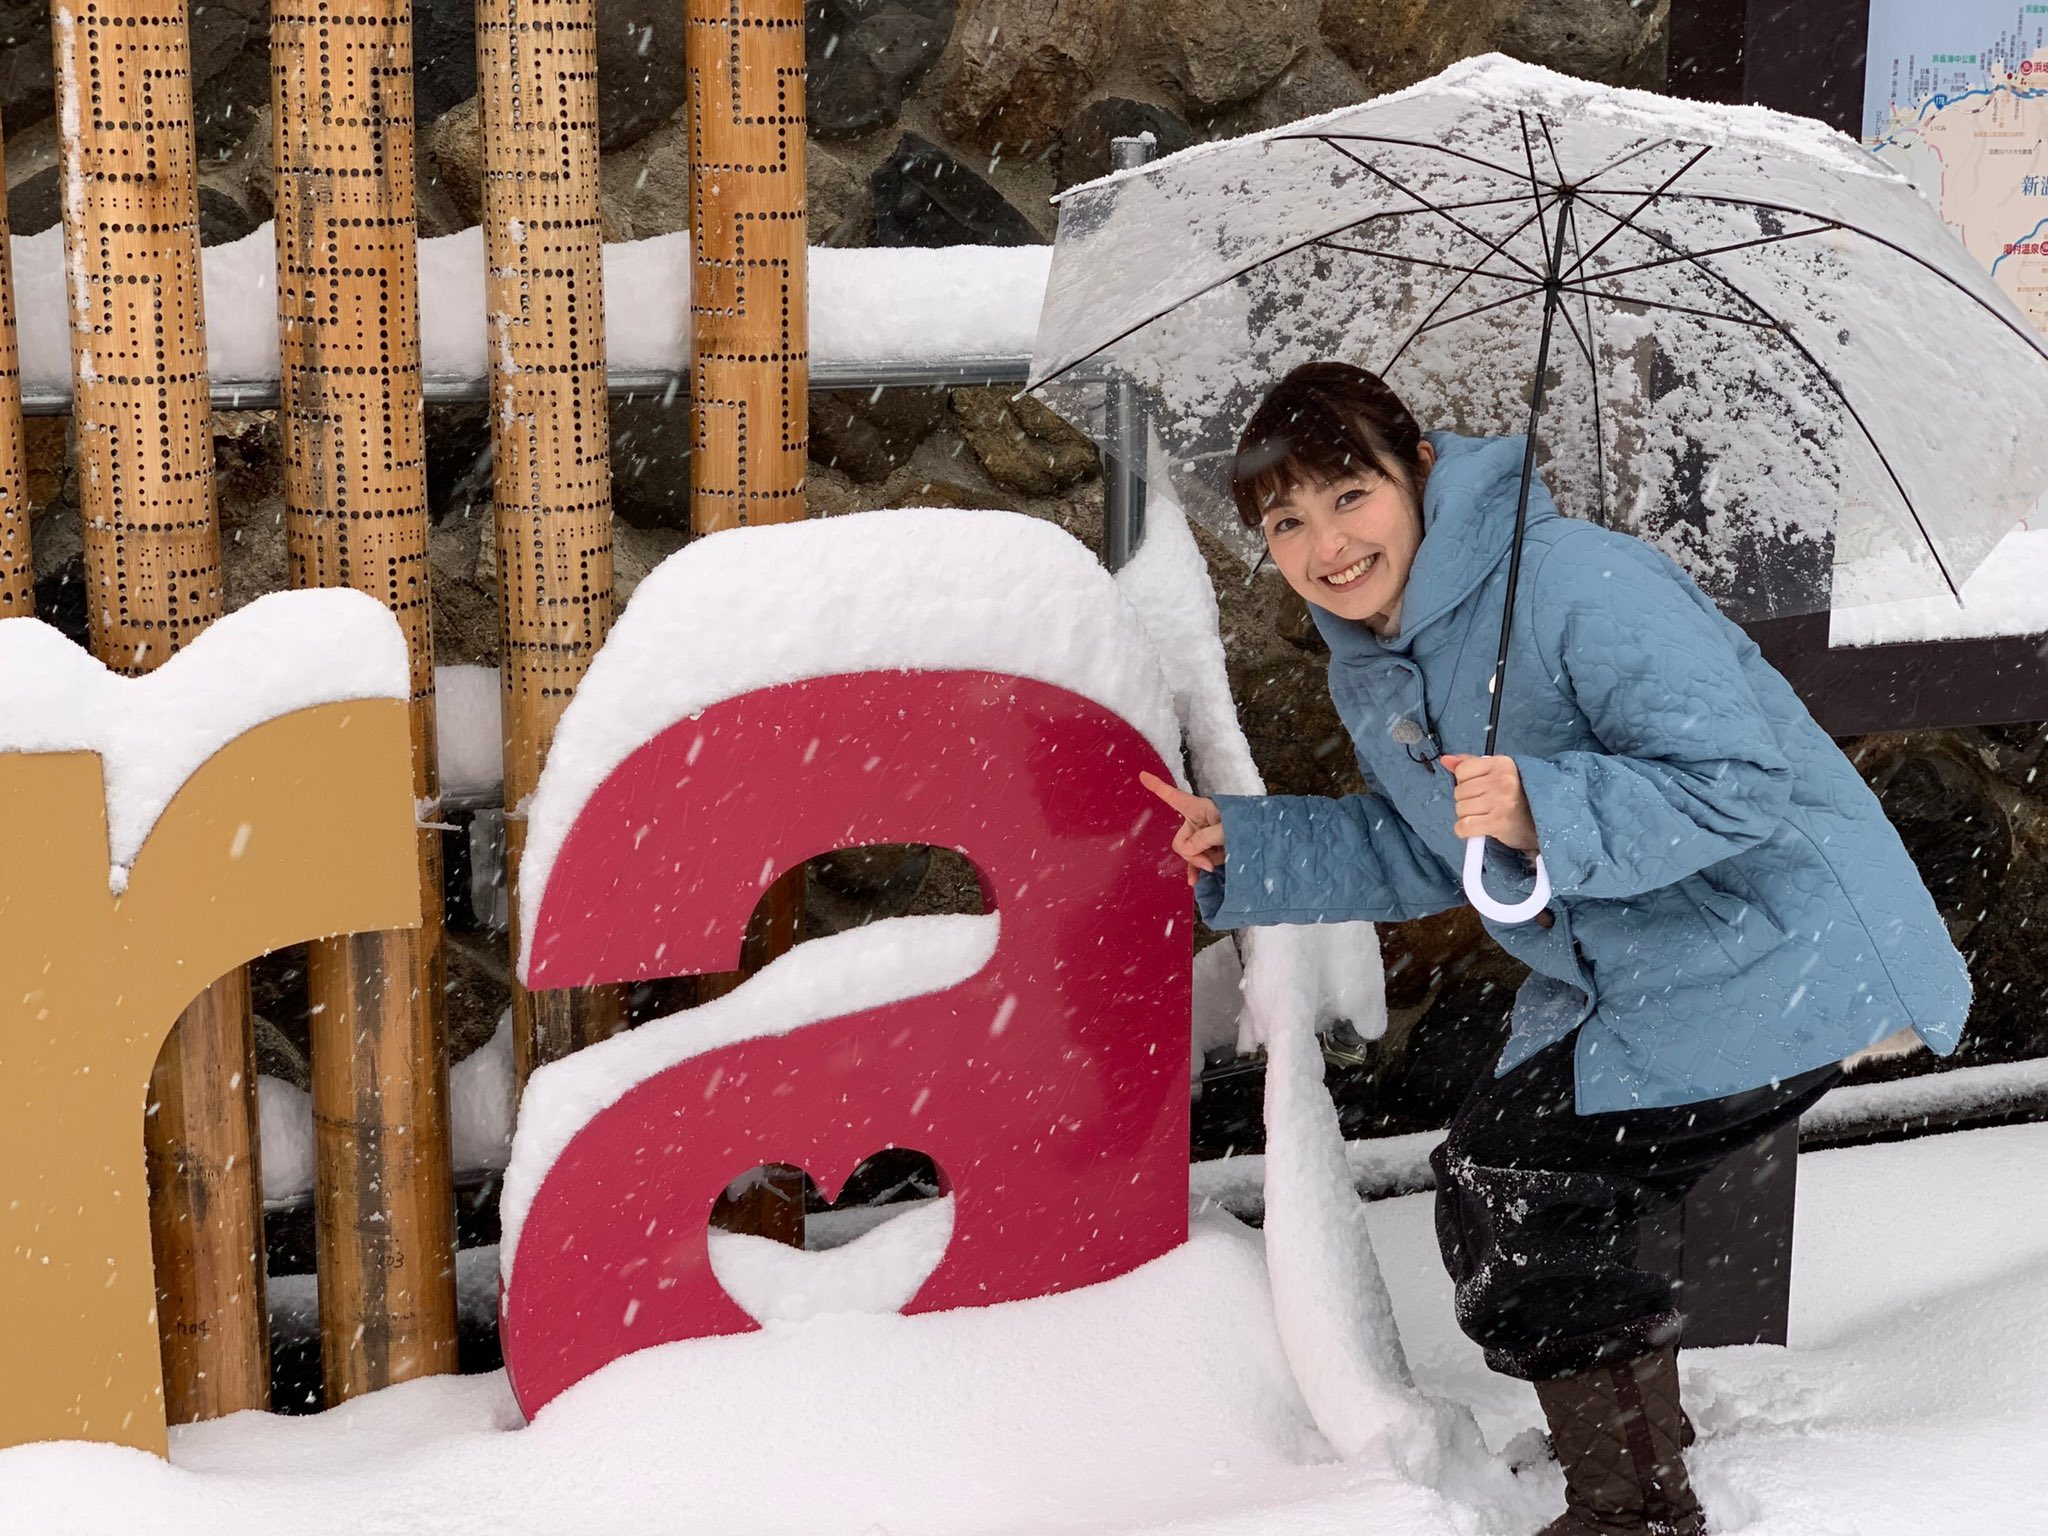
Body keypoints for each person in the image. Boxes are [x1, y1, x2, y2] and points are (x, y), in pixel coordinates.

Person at [1140, 361, 1970, 1536]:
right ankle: (1633, 1449)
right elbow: (1436, 850)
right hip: (1640, 972)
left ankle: (1631, 1505)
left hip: (1784, 941)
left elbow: (1734, 784)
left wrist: (1544, 807)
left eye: (1347, 494)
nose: (1324, 543)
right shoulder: (1376, 656)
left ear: (1418, 469)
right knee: (1529, 1190)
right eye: (1285, 520)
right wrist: (1251, 849)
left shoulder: (1577, 582)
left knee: (1519, 1184)